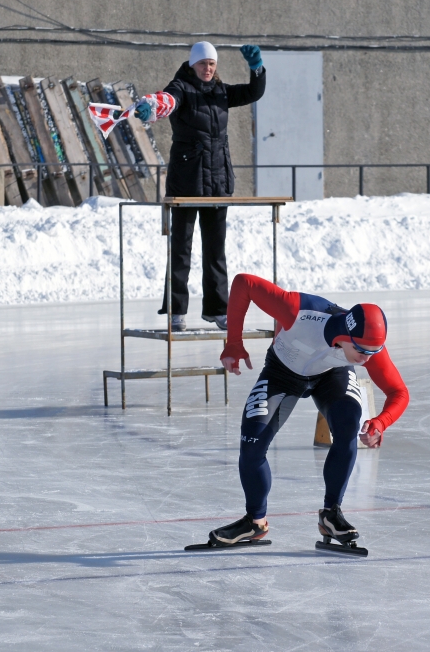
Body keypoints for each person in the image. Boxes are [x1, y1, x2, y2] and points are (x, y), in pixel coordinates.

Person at [206, 273, 410, 547]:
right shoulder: (296, 310)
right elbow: (244, 283)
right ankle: (254, 522)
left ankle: (331, 515)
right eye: (362, 350)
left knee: (349, 425)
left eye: (374, 351)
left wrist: (381, 422)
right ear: (346, 334)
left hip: (331, 375)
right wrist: (233, 342)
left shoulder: (369, 351)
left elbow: (399, 392)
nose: (367, 359)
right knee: (252, 443)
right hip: (282, 373)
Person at [134, 41, 266, 331]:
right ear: (192, 64)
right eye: (203, 63)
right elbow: (168, 101)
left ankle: (218, 309)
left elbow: (253, 92)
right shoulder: (181, 87)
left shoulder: (221, 92)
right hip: (186, 181)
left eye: (212, 64)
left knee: (215, 251)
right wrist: (152, 106)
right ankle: (176, 311)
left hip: (217, 182)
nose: (208, 68)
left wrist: (257, 69)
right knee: (181, 249)